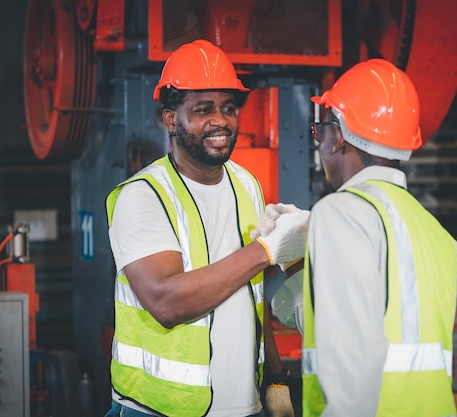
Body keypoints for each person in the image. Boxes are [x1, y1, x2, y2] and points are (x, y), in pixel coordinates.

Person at [104, 40, 308, 417]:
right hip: (158, 410)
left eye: (228, 108)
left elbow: (252, 292)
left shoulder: (246, 185)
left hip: (243, 406)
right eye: (203, 110)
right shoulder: (143, 196)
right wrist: (265, 250)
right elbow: (166, 302)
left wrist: (276, 379)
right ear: (171, 120)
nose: (221, 120)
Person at [256, 58, 457, 416]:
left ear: (337, 137)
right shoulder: (443, 240)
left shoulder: (340, 214)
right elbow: (364, 327)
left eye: (320, 129)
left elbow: (353, 374)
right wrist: (296, 260)